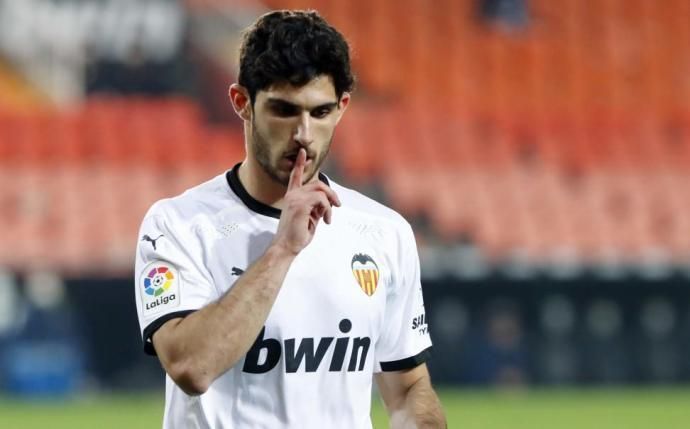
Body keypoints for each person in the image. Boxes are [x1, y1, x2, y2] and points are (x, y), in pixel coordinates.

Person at [134, 9, 446, 429]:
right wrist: (282, 249)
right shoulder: (178, 226)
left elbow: (407, 387)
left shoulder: (385, 233)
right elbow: (191, 367)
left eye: (320, 112)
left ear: (342, 107)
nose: (303, 134)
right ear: (242, 103)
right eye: (284, 110)